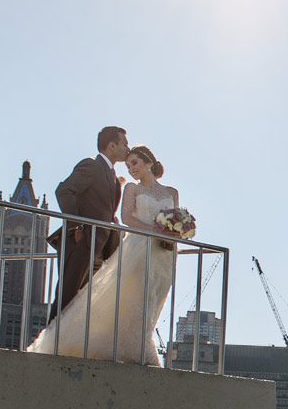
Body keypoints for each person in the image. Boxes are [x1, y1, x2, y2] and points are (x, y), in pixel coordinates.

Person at [27, 143, 183, 365]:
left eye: (135, 163)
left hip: (165, 254)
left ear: (149, 162)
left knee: (156, 298)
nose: (131, 169)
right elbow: (127, 218)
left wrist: (176, 232)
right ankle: (138, 348)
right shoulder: (132, 189)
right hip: (140, 248)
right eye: (128, 166)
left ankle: (140, 341)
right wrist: (154, 231)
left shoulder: (172, 192)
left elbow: (176, 218)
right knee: (138, 297)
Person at [50, 126, 130, 315]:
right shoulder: (91, 166)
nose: (128, 148)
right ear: (112, 146)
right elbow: (64, 191)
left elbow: (105, 210)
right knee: (67, 298)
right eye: (124, 143)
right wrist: (78, 226)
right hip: (82, 242)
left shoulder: (112, 175)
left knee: (86, 301)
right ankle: (49, 342)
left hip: (101, 248)